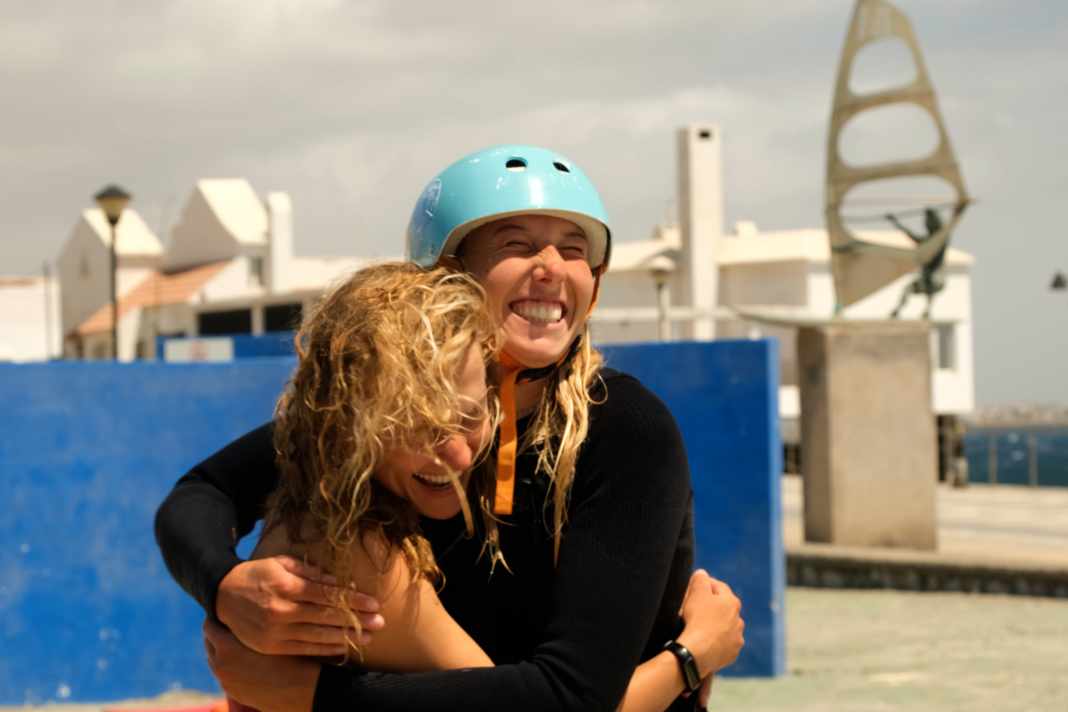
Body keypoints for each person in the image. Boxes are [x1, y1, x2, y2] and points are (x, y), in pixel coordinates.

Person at [157, 145, 745, 712]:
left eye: (573, 250)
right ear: (445, 273)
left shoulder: (622, 428)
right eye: (517, 245)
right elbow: (201, 493)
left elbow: (575, 694)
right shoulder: (382, 410)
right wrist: (229, 588)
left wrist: (315, 699)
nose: (550, 268)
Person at [886, 207, 947, 319]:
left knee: (930, 281)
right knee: (909, 288)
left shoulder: (940, 240)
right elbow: (910, 235)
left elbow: (946, 229)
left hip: (935, 276)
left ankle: (927, 311)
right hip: (925, 277)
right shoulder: (925, 241)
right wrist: (895, 222)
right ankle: (897, 310)